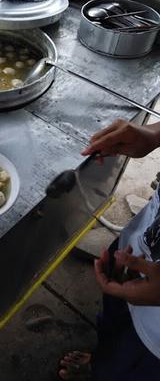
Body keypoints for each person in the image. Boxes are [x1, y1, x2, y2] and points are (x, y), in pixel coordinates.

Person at [58, 119, 160, 380]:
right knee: (113, 324)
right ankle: (101, 360)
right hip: (140, 245)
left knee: (131, 368)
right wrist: (154, 133)